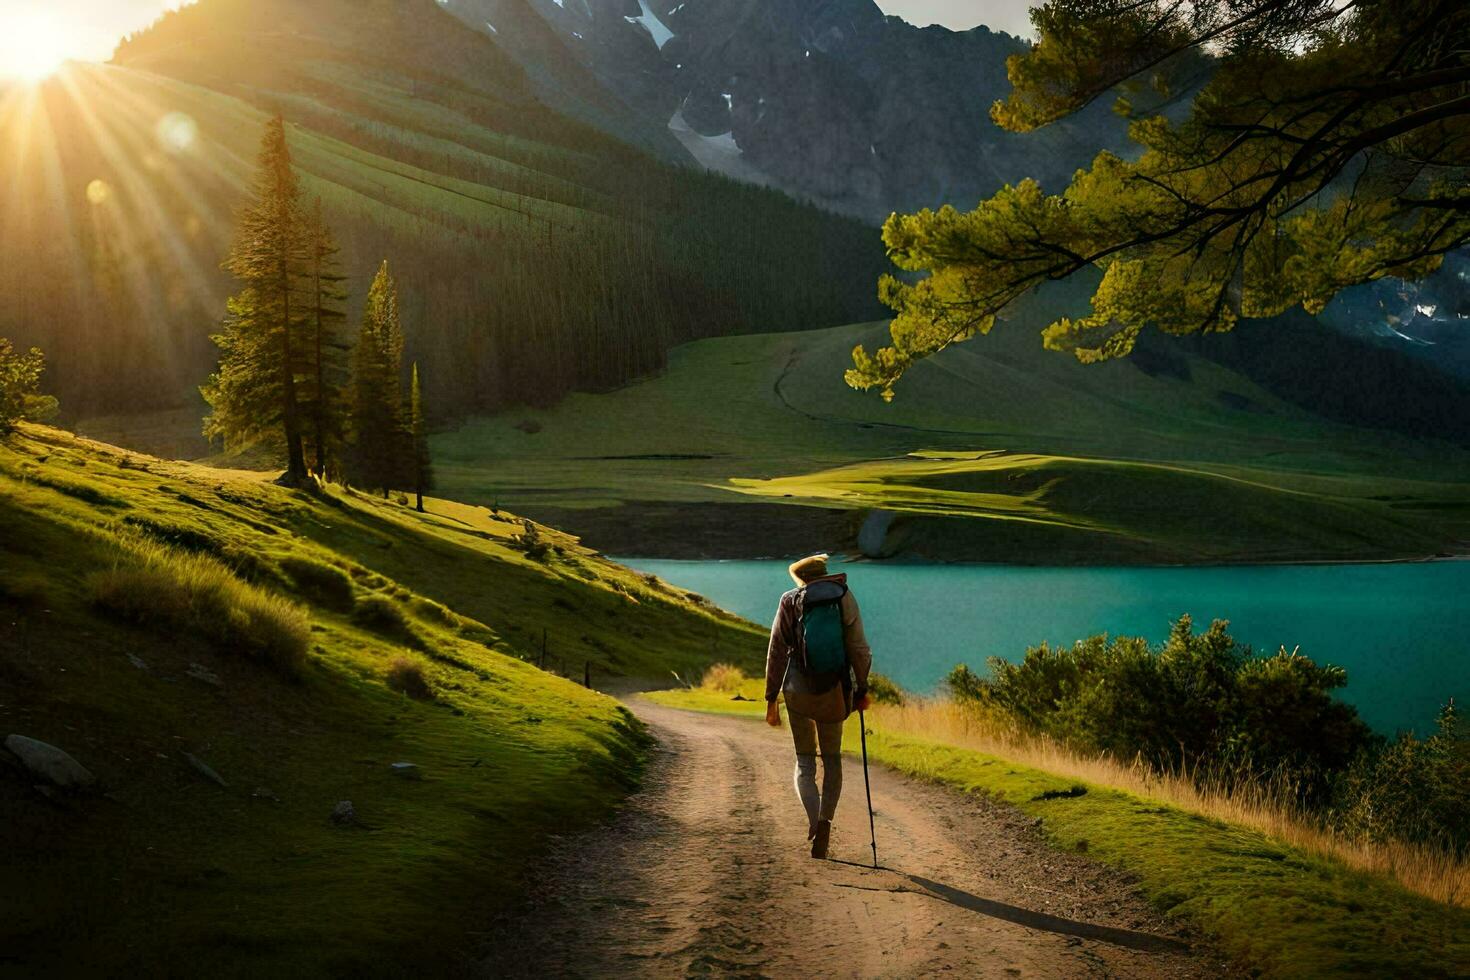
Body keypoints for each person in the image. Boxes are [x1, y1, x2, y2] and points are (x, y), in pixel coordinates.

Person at [763, 553, 872, 859]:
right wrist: (862, 685)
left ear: (802, 579)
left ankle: (812, 819)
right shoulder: (843, 597)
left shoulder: (790, 600)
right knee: (833, 760)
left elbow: (777, 650)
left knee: (805, 763)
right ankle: (825, 823)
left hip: (797, 691)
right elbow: (859, 648)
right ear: (824, 575)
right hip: (834, 691)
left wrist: (771, 696)